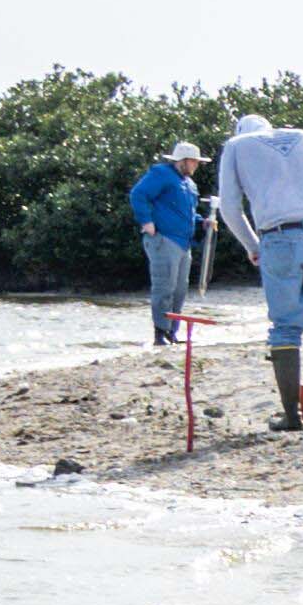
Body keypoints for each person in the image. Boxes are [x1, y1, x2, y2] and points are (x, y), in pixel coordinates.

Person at [216, 111, 303, 432]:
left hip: (279, 237)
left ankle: (292, 417)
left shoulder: (236, 146)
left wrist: (253, 245)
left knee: (286, 328)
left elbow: (229, 208)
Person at [125, 134, 220, 447]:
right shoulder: (161, 175)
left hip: (182, 242)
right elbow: (139, 196)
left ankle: (172, 331)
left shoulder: (189, 186)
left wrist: (203, 222)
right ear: (182, 160)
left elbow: (185, 212)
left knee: (179, 290)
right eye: (193, 161)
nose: (195, 166)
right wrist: (146, 223)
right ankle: (159, 332)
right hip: (162, 238)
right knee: (163, 286)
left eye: (197, 162)